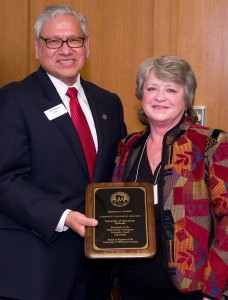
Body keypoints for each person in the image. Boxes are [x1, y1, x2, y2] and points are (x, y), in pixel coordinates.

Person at [0, 4, 126, 300]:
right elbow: (5, 179)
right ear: (37, 47)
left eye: (74, 40)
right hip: (35, 268)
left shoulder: (108, 102)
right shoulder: (13, 100)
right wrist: (64, 216)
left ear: (87, 45)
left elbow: (117, 174)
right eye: (54, 41)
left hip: (96, 269)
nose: (65, 49)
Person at [112, 55, 228, 300]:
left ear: (186, 99)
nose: (160, 97)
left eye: (171, 89)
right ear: (141, 97)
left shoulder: (211, 144)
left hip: (193, 289)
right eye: (151, 88)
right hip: (131, 286)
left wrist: (215, 289)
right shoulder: (127, 147)